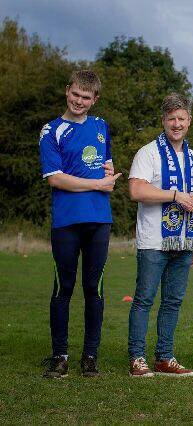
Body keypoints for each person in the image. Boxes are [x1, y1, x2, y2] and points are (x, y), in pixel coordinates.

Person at [39, 70, 122, 378]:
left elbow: (106, 164)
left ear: (94, 99)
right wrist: (97, 185)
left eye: (86, 97)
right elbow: (56, 179)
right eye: (75, 94)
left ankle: (90, 356)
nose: (79, 101)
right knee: (64, 288)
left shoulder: (101, 126)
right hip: (66, 221)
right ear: (67, 91)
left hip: (99, 220)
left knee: (94, 289)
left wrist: (108, 175)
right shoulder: (51, 131)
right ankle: (60, 356)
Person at [127, 93, 193, 377]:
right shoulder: (149, 152)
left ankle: (164, 357)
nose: (176, 123)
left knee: (173, 301)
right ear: (163, 120)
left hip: (184, 241)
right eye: (171, 118)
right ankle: (137, 358)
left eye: (181, 118)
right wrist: (173, 195)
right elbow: (136, 190)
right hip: (153, 241)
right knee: (144, 299)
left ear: (189, 121)